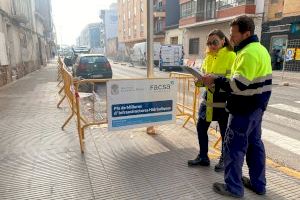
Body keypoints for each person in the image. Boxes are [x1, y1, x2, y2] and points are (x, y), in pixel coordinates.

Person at [202, 16, 272, 198]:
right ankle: (259, 185)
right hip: (257, 107)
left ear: (246, 33)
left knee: (234, 147)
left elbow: (237, 85)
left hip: (244, 108)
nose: (231, 37)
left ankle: (233, 187)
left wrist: (216, 79)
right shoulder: (261, 50)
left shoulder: (247, 53)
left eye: (234, 34)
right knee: (255, 146)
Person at [187, 29, 236, 172]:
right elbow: (204, 77)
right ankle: (203, 157)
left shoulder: (232, 56)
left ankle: (224, 160)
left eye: (214, 42)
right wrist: (199, 81)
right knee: (201, 128)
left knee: (225, 132)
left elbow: (233, 80)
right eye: (209, 43)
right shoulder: (208, 57)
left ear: (223, 40)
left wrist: (214, 80)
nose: (212, 46)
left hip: (223, 100)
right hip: (208, 99)